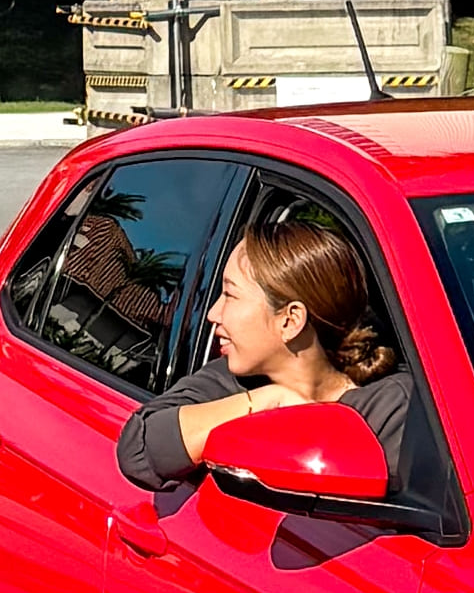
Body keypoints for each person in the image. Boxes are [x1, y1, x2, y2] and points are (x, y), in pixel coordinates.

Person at [117, 209, 418, 495]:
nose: (213, 313)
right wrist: (268, 401)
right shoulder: (231, 380)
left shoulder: (393, 410)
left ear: (289, 320)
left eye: (230, 294)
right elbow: (139, 449)